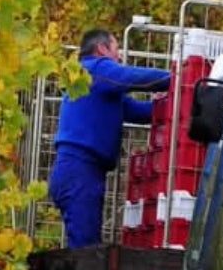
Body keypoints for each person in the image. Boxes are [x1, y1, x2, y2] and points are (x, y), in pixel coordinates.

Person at [49, 28, 171, 248]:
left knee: (85, 245)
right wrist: (177, 79)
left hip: (79, 171)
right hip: (80, 171)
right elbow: (132, 78)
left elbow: (141, 112)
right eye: (117, 49)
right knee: (85, 252)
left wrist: (171, 102)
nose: (120, 56)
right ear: (102, 49)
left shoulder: (101, 89)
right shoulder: (95, 70)